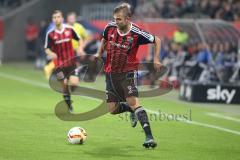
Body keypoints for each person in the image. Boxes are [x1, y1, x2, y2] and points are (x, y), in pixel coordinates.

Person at [93, 3, 162, 148]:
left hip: (128, 73)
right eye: (115, 19)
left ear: (128, 19)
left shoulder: (136, 33)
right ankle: (130, 109)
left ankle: (149, 137)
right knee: (112, 109)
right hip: (111, 73)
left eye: (119, 19)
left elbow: (157, 40)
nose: (116, 22)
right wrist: (98, 54)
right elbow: (104, 39)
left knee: (134, 102)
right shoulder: (110, 27)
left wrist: (156, 59)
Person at [45, 10, 85, 112]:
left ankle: (68, 94)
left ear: (62, 19)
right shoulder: (50, 34)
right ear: (52, 20)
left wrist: (80, 48)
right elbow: (47, 48)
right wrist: (51, 53)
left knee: (74, 84)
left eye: (58, 17)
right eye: (54, 17)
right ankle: (68, 104)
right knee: (64, 84)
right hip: (59, 64)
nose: (56, 19)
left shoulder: (69, 29)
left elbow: (79, 39)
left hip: (71, 63)